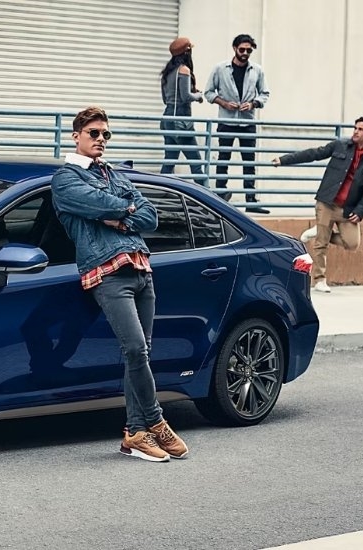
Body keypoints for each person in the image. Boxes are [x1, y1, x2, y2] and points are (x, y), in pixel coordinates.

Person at [51, 106, 189, 462]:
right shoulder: (65, 179)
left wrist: (120, 216)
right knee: (136, 350)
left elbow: (150, 216)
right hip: (108, 273)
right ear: (76, 135)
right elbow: (93, 203)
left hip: (142, 269)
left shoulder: (115, 175)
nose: (101, 140)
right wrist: (123, 210)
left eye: (106, 135)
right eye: (94, 133)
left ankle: (134, 433)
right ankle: (156, 422)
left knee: (140, 353)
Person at [272, 117, 363, 293]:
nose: (355, 131)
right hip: (327, 202)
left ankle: (320, 231)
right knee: (321, 244)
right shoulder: (340, 146)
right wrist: (284, 160)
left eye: (360, 129)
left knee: (352, 243)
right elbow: (314, 153)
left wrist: (360, 211)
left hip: (348, 209)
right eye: (355, 128)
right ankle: (319, 280)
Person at [203, 33, 271, 214]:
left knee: (249, 161)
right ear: (234, 48)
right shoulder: (220, 68)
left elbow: (265, 93)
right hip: (226, 121)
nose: (245, 53)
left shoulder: (257, 70)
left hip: (248, 121)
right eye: (242, 49)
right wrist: (224, 103)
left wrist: (253, 103)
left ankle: (251, 200)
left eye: (249, 50)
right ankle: (219, 197)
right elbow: (208, 92)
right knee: (223, 159)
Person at [159, 36, 207, 186]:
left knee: (169, 161)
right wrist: (198, 96)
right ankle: (206, 195)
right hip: (181, 121)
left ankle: (160, 192)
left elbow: (166, 99)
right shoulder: (184, 70)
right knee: (196, 161)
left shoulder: (167, 73)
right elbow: (186, 97)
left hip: (167, 119)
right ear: (187, 52)